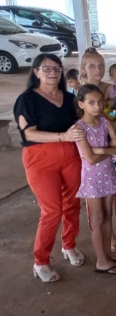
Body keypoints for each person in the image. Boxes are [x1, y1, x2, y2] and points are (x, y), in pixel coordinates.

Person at [14, 54, 85, 283]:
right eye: (46, 68)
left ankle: (69, 244)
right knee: (52, 210)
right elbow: (29, 133)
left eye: (57, 68)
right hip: (40, 157)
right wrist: (62, 136)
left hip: (71, 155)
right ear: (36, 72)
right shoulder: (27, 99)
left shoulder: (68, 97)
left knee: (72, 203)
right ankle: (41, 260)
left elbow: (79, 122)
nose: (52, 72)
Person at [74, 85, 116, 275]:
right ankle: (101, 261)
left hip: (108, 174)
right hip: (92, 179)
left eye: (100, 102)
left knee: (107, 216)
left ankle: (108, 254)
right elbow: (88, 159)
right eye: (91, 103)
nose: (97, 106)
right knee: (96, 219)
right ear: (81, 104)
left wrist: (101, 150)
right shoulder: (79, 128)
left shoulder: (104, 121)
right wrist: (107, 150)